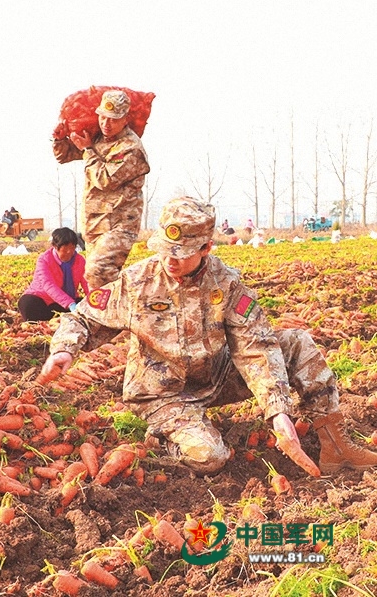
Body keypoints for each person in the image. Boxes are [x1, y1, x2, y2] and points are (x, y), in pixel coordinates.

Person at [39, 196, 377, 476]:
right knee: (210, 456)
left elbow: (256, 346)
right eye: (165, 249)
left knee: (296, 343)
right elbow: (82, 316)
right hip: (163, 393)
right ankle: (164, 439)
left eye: (181, 253)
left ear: (206, 247)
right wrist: (65, 351)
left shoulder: (226, 283)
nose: (170, 260)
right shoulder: (138, 282)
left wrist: (279, 412)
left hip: (215, 376)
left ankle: (335, 446)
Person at [52, 89, 150, 288]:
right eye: (103, 118)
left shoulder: (131, 148)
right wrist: (60, 140)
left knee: (98, 272)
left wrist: (87, 150)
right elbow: (64, 157)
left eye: (113, 119)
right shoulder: (98, 139)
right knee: (100, 281)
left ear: (124, 120)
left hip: (119, 225)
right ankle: (114, 314)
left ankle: (118, 311)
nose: (106, 124)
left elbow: (104, 179)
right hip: (94, 224)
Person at [18, 227, 89, 322]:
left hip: (65, 301)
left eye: (72, 248)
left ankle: (64, 317)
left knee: (85, 304)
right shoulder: (44, 260)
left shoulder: (80, 260)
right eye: (65, 249)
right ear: (55, 247)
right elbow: (48, 285)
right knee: (28, 304)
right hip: (43, 299)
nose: (69, 253)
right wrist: (70, 304)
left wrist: (93, 297)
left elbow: (87, 282)